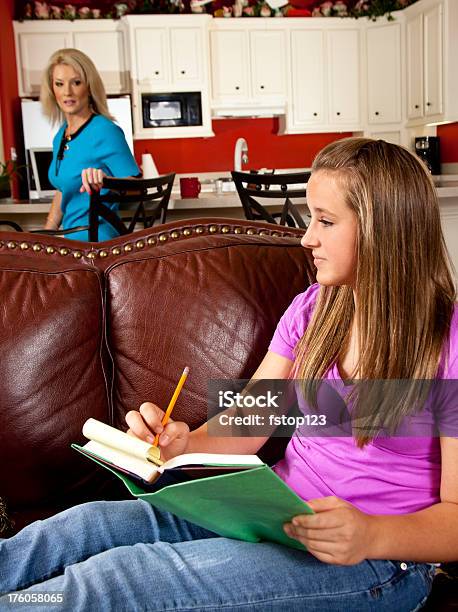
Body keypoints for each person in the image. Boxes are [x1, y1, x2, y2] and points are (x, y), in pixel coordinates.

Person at [1, 138, 457, 611]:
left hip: (376, 562)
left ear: (384, 230)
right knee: (81, 528)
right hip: (274, 514)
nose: (306, 238)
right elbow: (248, 423)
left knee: (113, 582)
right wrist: (184, 442)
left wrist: (372, 536)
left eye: (325, 220)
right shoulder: (314, 310)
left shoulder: (450, 345)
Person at [40, 48, 140, 242]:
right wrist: (46, 234)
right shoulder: (61, 135)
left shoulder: (104, 130)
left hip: (97, 235)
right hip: (70, 235)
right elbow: (63, 189)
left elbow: (137, 187)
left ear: (89, 86)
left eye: (76, 83)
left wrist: (107, 180)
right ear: (53, 90)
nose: (67, 91)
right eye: (60, 84)